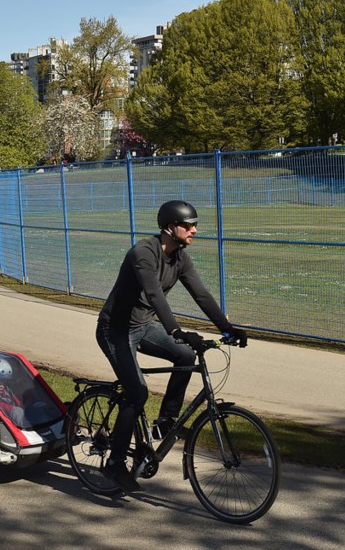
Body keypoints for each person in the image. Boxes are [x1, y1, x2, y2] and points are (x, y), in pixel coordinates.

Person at [95, 200, 248, 492]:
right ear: (170, 227)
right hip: (115, 330)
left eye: (195, 225)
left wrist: (227, 328)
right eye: (189, 226)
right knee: (136, 392)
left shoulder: (180, 258)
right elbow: (154, 294)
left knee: (185, 353)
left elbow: (201, 294)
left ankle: (166, 420)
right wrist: (176, 329)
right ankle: (115, 463)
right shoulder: (144, 253)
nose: (195, 230)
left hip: (144, 326)